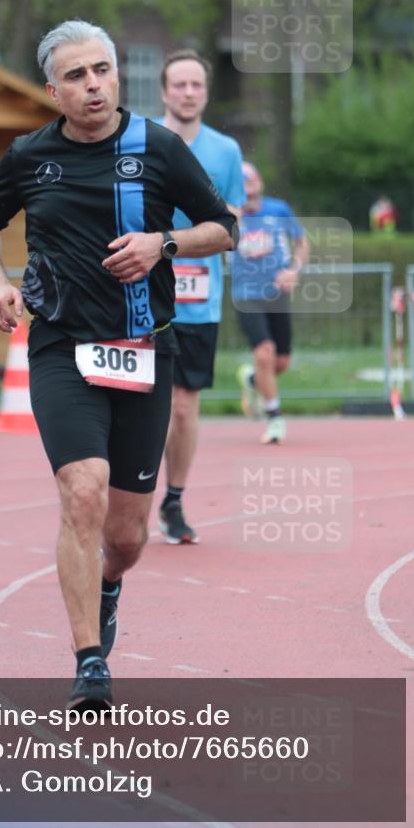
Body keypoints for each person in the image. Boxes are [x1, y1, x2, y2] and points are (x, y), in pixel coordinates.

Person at [0, 20, 237, 710]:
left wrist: (161, 243)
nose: (92, 85)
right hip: (61, 347)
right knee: (80, 488)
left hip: (146, 349)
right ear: (53, 90)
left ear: (118, 75)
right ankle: (89, 662)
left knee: (126, 535)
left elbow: (222, 227)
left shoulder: (158, 146)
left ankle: (110, 583)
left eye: (101, 71)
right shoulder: (28, 155)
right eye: (76, 76)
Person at [156, 50, 245, 544]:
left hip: (199, 299)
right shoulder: (140, 137)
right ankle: (124, 497)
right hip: (142, 293)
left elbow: (231, 217)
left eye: (196, 85)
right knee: (139, 405)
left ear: (206, 92)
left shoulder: (226, 150)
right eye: (179, 85)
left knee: (184, 408)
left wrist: (192, 236)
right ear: (165, 91)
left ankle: (173, 499)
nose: (188, 93)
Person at [232, 162, 309, 444]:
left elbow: (301, 243)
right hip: (245, 295)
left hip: (276, 293)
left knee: (281, 362)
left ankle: (252, 380)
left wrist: (294, 269)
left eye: (252, 192)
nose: (248, 201)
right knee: (264, 352)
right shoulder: (229, 216)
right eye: (243, 195)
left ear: (260, 186)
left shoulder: (278, 210)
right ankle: (274, 417)